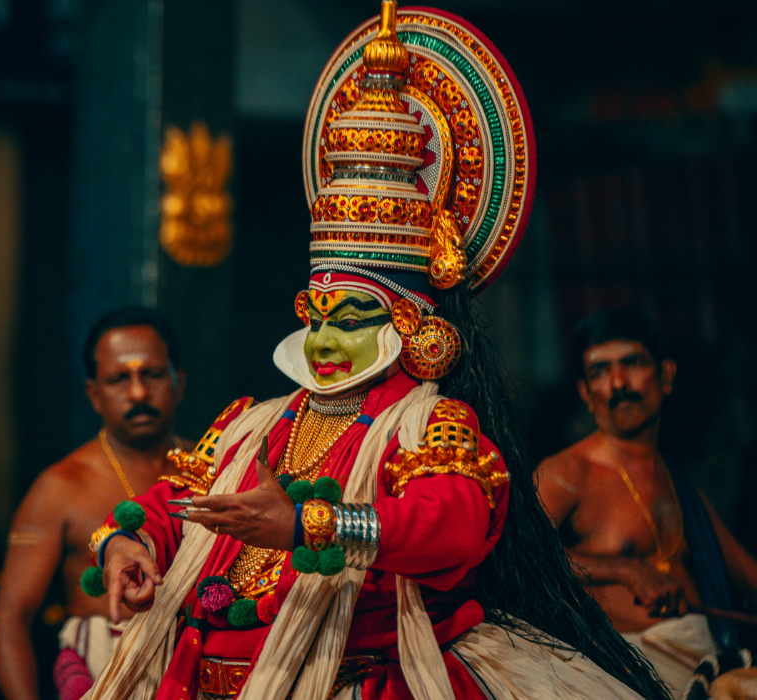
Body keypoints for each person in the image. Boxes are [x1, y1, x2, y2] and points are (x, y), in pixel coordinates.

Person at [77, 4, 669, 699]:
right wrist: (129, 545)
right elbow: (180, 502)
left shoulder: (434, 426)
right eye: (317, 312)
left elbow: (450, 526)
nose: (325, 338)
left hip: (352, 681)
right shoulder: (252, 424)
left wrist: (306, 522)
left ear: (411, 321)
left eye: (352, 315)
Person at [536, 307, 757, 695]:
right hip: (625, 676)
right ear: (587, 394)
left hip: (708, 665)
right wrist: (626, 570)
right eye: (599, 372)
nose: (618, 382)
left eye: (632, 363)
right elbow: (521, 556)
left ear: (665, 376)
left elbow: (750, 578)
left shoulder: (683, 490)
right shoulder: (567, 472)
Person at [0, 306, 188, 700]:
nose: (138, 393)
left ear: (178, 382)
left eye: (151, 374)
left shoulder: (211, 467)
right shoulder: (60, 487)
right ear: (94, 395)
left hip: (195, 663)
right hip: (102, 672)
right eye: (119, 379)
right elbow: (10, 618)